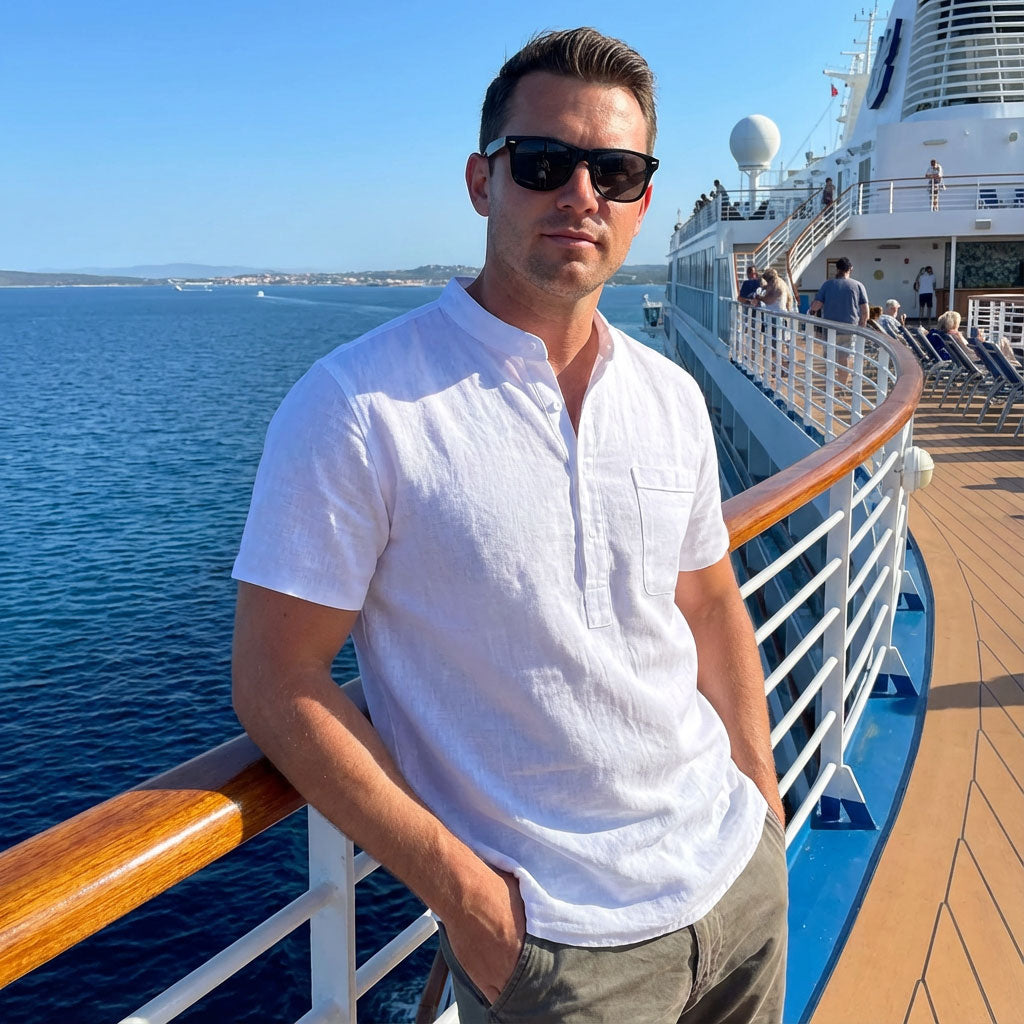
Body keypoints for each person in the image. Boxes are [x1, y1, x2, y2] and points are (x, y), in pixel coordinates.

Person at [231, 26, 787, 1024]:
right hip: (558, 951)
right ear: (482, 181)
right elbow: (277, 679)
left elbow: (708, 602)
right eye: (542, 162)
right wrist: (467, 899)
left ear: (642, 202)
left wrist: (762, 796)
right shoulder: (357, 406)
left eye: (615, 171)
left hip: (735, 884)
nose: (581, 194)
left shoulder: (668, 396)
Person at [807, 257, 869, 386]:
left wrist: (811, 311)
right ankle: (842, 385)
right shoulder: (858, 285)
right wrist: (862, 327)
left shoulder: (827, 285)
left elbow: (816, 305)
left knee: (830, 357)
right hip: (849, 328)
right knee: (844, 358)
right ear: (850, 269)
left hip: (829, 328)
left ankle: (830, 385)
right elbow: (865, 310)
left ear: (837, 269)